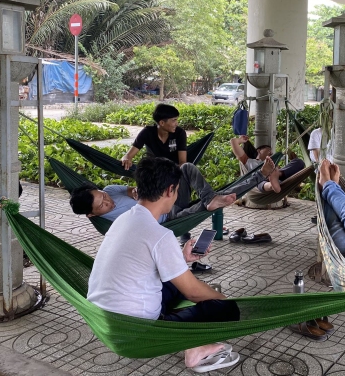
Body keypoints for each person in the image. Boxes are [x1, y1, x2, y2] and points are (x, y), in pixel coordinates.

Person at [87, 156, 240, 372]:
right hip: (137, 332)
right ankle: (194, 347)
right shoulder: (160, 234)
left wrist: (181, 258)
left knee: (179, 284)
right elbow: (193, 293)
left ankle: (192, 333)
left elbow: (141, 261)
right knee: (227, 309)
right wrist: (221, 299)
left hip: (104, 320)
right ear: (170, 191)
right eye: (177, 191)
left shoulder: (123, 219)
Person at [70, 159, 276, 222]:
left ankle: (209, 198)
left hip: (165, 197)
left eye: (103, 196)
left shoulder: (110, 190)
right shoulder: (109, 224)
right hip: (170, 218)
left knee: (186, 168)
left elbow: (133, 188)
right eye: (102, 205)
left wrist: (133, 192)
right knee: (224, 197)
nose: (108, 201)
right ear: (91, 214)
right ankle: (259, 176)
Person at [230, 135, 305, 193]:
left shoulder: (272, 162)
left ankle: (275, 176)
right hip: (258, 180)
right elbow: (233, 141)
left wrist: (291, 161)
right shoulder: (249, 161)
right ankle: (273, 185)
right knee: (259, 182)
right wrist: (240, 140)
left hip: (276, 175)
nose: (271, 152)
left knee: (299, 162)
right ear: (259, 150)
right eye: (269, 150)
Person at [122, 104, 187, 169]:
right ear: (162, 123)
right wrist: (126, 159)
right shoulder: (147, 132)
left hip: (173, 171)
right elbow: (129, 155)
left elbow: (182, 162)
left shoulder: (180, 133)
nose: (177, 123)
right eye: (174, 120)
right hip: (152, 171)